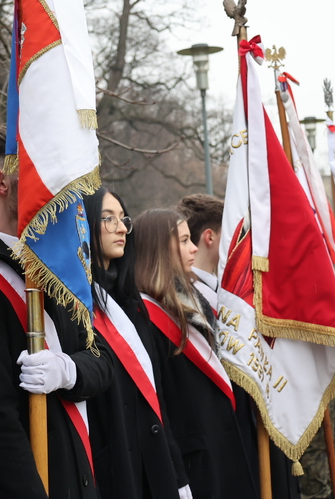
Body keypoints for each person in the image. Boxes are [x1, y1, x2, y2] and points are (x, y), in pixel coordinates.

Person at [0, 124, 112, 499]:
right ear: (2, 182)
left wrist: (68, 370)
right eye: (33, 174)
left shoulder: (45, 267)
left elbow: (102, 360)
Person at [176, 193, 301, 499]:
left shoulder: (232, 293)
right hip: (230, 432)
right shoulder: (185, 299)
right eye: (234, 233)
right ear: (211, 237)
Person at [133, 209, 258, 499]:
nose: (193, 248)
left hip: (221, 440)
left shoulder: (190, 299)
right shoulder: (143, 314)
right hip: (193, 453)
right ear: (159, 248)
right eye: (184, 240)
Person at [84, 188, 190, 499]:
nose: (121, 228)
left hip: (155, 465)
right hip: (115, 468)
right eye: (108, 219)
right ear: (86, 224)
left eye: (123, 219)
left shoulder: (133, 304)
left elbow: (155, 398)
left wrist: (177, 471)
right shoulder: (77, 305)